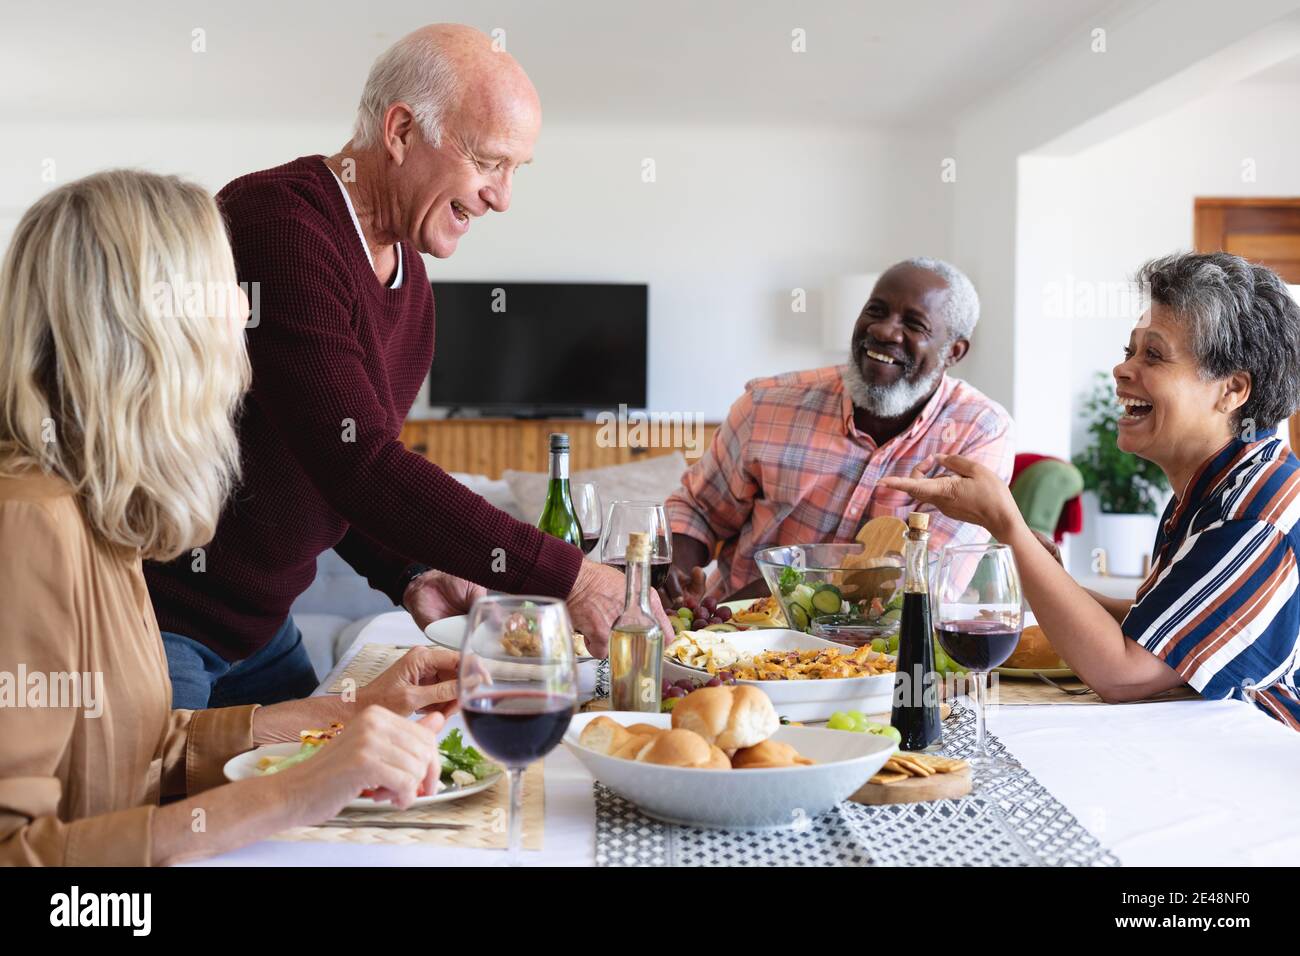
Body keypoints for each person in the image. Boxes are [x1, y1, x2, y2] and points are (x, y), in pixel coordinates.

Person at [145, 24, 671, 709]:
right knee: (173, 810)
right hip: (169, 625)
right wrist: (569, 576)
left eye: (516, 171)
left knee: (343, 799)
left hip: (261, 633)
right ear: (399, 131)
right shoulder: (277, 225)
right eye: (488, 161)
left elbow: (327, 461)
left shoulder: (412, 283)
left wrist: (411, 570)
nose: (502, 197)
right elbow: (358, 462)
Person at [0, 170, 468, 865]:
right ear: (150, 329)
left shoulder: (96, 501)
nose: (242, 330)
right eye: (225, 298)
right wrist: (300, 790)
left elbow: (150, 753)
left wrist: (351, 717)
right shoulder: (30, 523)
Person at [884, 252, 1300, 729]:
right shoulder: (1225, 481)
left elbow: (1122, 673)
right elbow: (1161, 627)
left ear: (1232, 390)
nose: (1122, 370)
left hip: (1256, 773)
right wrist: (1056, 578)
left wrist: (1009, 527)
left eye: (1154, 355)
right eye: (1130, 352)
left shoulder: (1253, 513)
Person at [662, 257, 1015, 603]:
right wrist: (671, 571)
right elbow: (700, 509)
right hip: (727, 637)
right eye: (875, 311)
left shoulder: (979, 431)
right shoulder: (768, 403)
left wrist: (769, 599)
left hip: (880, 653)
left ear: (954, 352)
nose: (884, 330)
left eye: (914, 324)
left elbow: (927, 576)